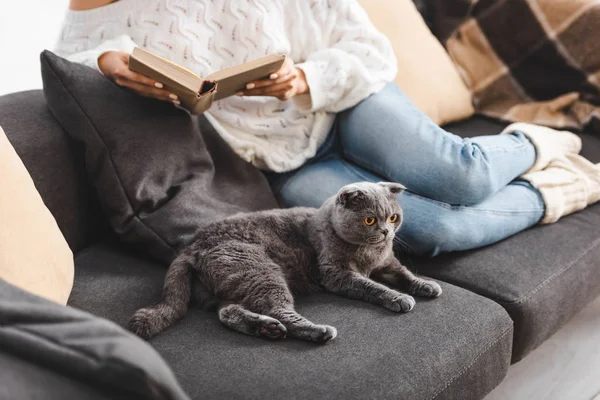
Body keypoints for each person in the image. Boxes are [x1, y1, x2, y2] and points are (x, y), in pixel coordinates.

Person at [56, 0, 600, 257]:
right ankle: (561, 187)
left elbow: (368, 47)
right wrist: (108, 63)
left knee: (461, 177)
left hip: (347, 100)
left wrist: (303, 78)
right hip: (282, 163)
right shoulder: (91, 14)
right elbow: (71, 56)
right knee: (432, 233)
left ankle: (532, 142)